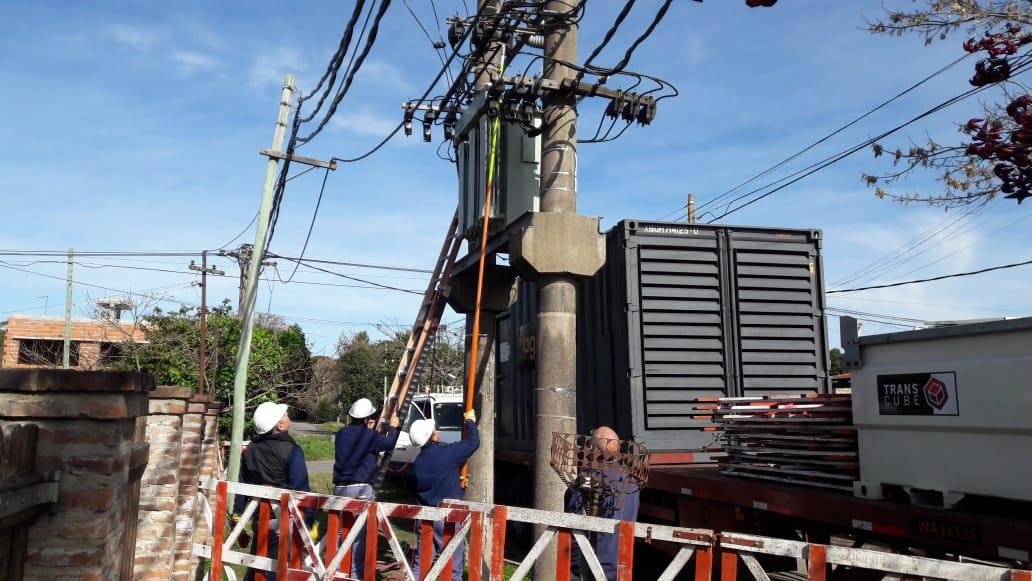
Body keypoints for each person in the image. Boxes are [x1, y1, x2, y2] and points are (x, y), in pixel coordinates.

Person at [233, 401, 311, 581]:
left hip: (258, 517)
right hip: (282, 520)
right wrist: (310, 522)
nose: (287, 415)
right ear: (280, 425)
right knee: (277, 569)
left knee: (258, 565)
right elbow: (302, 491)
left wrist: (238, 516)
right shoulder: (292, 451)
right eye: (284, 415)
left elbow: (242, 485)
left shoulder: (250, 449)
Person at [331, 397, 400, 578]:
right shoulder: (369, 436)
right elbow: (387, 443)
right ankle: (356, 574)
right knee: (360, 535)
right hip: (361, 488)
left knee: (341, 532)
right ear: (368, 420)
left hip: (339, 488)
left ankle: (337, 572)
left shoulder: (340, 434)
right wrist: (393, 427)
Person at [409, 409, 479, 581]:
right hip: (447, 518)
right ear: (433, 437)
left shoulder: (417, 463)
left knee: (422, 563)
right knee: (453, 565)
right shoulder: (447, 453)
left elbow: (411, 485)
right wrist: (470, 421)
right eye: (435, 431)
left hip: (425, 517)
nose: (437, 432)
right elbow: (473, 442)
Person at [564, 426, 641, 581]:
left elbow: (572, 518)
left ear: (592, 449)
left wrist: (574, 570)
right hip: (621, 566)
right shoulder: (632, 483)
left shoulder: (586, 481)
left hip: (592, 569)